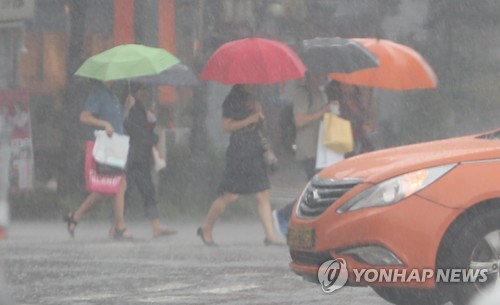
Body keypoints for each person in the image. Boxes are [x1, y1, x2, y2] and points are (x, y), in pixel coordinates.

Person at [197, 84, 282, 246]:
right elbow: (226, 126)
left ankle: (270, 235)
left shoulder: (254, 97)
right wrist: (250, 119)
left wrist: (259, 113)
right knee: (230, 195)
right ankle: (206, 227)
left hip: (255, 150)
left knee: (263, 192)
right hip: (239, 152)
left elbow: (260, 125)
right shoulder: (232, 99)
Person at [64, 80, 132, 240]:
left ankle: (76, 217)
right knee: (113, 186)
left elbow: (117, 122)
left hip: (113, 146)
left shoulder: (113, 96)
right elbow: (84, 116)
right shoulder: (97, 93)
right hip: (101, 146)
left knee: (115, 185)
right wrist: (104, 124)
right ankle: (119, 227)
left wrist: (127, 108)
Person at [272, 72, 333, 238]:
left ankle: (308, 223)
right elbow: (299, 121)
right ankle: (284, 214)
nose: (324, 77)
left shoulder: (321, 93)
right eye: (321, 74)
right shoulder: (302, 93)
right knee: (316, 190)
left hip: (322, 149)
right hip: (308, 149)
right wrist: (322, 112)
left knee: (319, 189)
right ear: (312, 75)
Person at [122, 83, 177, 238]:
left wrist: (151, 120)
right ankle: (117, 224)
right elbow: (138, 133)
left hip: (138, 157)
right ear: (136, 91)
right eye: (143, 89)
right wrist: (152, 134)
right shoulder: (131, 109)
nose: (145, 93)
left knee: (145, 191)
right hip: (135, 157)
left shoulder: (139, 109)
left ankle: (155, 225)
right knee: (127, 192)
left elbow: (142, 131)